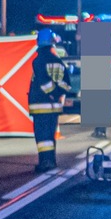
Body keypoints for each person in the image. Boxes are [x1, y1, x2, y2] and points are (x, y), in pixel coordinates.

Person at [28, 27, 70, 171]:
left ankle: (45, 163)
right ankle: (51, 161)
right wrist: (58, 93)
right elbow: (67, 83)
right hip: (55, 107)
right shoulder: (59, 62)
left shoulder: (38, 61)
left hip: (40, 106)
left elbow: (42, 80)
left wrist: (51, 93)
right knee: (50, 137)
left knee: (42, 138)